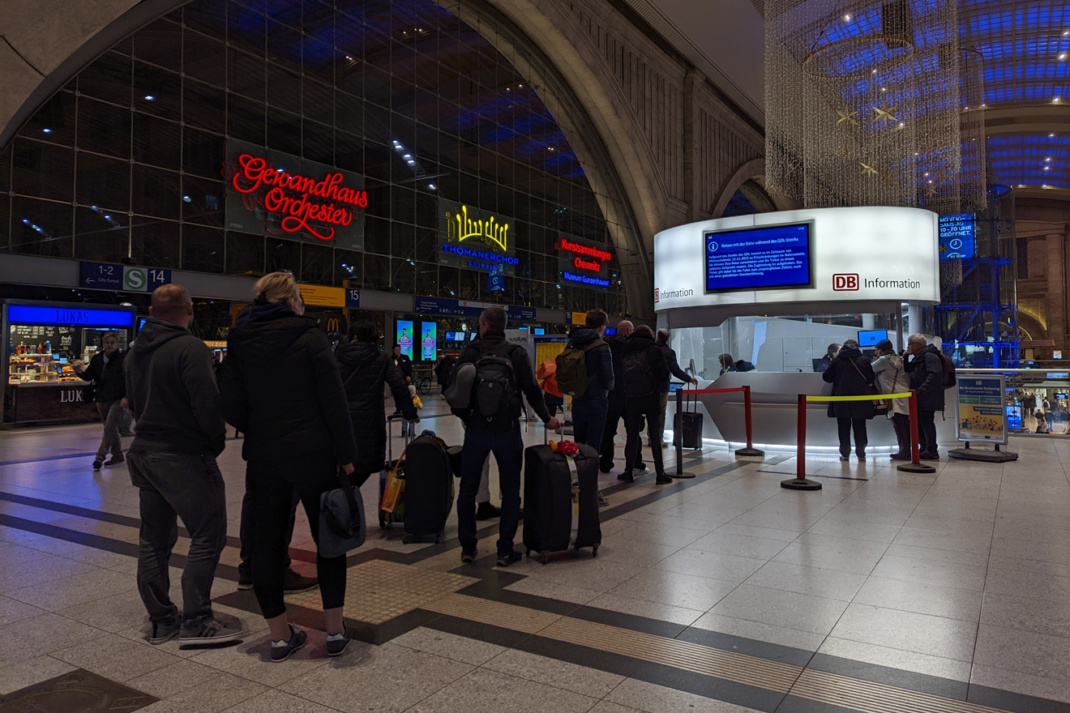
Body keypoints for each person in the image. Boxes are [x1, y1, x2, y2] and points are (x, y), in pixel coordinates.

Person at [220, 271, 357, 661]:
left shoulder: (240, 340)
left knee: (266, 542)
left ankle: (280, 637)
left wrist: (259, 425)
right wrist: (347, 456)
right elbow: (334, 401)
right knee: (328, 540)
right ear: (291, 298)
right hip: (314, 454)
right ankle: (334, 632)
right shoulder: (309, 336)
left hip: (265, 456)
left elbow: (228, 402)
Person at [123, 284, 241, 646]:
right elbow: (207, 404)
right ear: (189, 309)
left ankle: (161, 620)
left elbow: (134, 403)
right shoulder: (190, 348)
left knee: (154, 540)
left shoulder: (133, 353)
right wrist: (214, 442)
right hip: (182, 454)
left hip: (144, 454)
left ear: (152, 311)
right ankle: (197, 620)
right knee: (207, 534)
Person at [452, 306, 560, 566]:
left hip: (476, 430)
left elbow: (452, 387)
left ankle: (468, 548)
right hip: (507, 430)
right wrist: (547, 419)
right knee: (511, 492)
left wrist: (466, 418)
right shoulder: (516, 353)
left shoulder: (472, 352)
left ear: (485, 325)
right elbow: (533, 390)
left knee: (467, 490)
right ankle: (504, 550)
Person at [336, 320, 419, 487]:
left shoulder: (337, 356)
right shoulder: (381, 359)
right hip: (370, 428)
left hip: (340, 427)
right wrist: (411, 414)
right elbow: (399, 387)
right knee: (359, 474)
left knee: (343, 480)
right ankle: (348, 502)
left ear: (354, 336)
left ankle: (345, 503)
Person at [619, 325, 670, 484]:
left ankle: (628, 471)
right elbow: (663, 374)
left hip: (631, 397)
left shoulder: (625, 349)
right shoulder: (654, 350)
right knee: (654, 434)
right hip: (650, 397)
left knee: (632, 435)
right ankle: (660, 473)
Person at [74, 332, 127, 469]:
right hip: (101, 397)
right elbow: (88, 376)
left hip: (117, 398)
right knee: (110, 428)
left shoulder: (122, 359)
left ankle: (100, 457)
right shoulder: (97, 359)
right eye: (107, 343)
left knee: (109, 426)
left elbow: (128, 379)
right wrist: (78, 371)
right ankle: (118, 455)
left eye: (112, 343)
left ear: (117, 344)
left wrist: (127, 396)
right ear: (102, 344)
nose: (109, 346)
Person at [563, 309, 614, 451]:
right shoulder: (602, 347)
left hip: (577, 398)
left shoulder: (573, 343)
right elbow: (608, 378)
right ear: (602, 326)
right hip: (597, 400)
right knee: (593, 445)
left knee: (578, 444)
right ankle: (591, 472)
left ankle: (580, 471)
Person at [599, 320, 645, 474]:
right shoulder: (633, 347)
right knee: (633, 431)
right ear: (627, 331)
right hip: (629, 395)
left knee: (608, 431)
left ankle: (606, 462)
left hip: (611, 395)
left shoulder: (607, 346)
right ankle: (635, 462)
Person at [822, 338, 875, 460]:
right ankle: (861, 453)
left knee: (843, 426)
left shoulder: (837, 361)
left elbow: (827, 377)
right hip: (860, 399)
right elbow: (871, 378)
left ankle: (845, 453)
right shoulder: (864, 361)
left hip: (841, 399)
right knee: (860, 426)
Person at [904, 333, 944, 460]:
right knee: (920, 423)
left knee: (926, 423)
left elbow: (935, 375)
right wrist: (905, 357)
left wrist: (921, 390)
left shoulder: (929, 356)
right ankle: (924, 448)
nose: (908, 347)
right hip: (920, 396)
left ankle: (931, 449)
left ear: (918, 345)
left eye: (910, 344)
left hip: (928, 396)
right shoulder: (919, 357)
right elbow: (909, 369)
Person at [655, 329, 698, 443]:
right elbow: (675, 370)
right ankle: (658, 437)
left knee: (651, 411)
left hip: (649, 385)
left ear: (657, 337)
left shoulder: (651, 349)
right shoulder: (669, 352)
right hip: (663, 386)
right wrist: (689, 378)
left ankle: (651, 435)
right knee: (661, 412)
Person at [872, 339, 911, 460]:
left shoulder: (883, 360)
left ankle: (904, 452)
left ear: (881, 350)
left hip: (893, 395)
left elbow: (869, 369)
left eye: (876, 350)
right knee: (904, 424)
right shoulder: (898, 358)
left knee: (898, 424)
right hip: (903, 393)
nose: (875, 352)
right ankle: (907, 450)